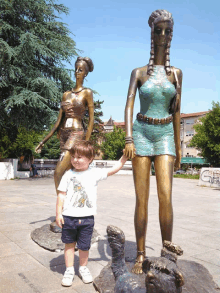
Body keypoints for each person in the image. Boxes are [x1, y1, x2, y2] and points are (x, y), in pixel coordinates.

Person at [124, 9, 182, 274]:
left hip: (166, 135)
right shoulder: (138, 72)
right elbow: (128, 105)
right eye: (158, 30)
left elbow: (177, 112)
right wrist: (128, 138)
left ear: (172, 34)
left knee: (166, 196)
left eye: (167, 30)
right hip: (142, 134)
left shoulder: (177, 74)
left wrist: (179, 149)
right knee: (142, 198)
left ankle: (167, 253)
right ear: (151, 33)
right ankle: (139, 254)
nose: (162, 35)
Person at [56, 140, 128, 286]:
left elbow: (113, 169)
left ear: (90, 159)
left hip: (87, 219)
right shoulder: (68, 175)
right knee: (69, 245)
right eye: (74, 156)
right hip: (69, 218)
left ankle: (83, 268)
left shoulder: (94, 173)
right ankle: (69, 270)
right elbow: (61, 194)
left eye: (80, 157)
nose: (75, 160)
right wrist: (58, 213)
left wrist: (124, 158)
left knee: (84, 246)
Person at [35, 57, 94, 193]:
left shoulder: (87, 93)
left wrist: (86, 142)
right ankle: (70, 205)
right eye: (76, 69)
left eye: (81, 70)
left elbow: (91, 119)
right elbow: (58, 121)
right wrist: (43, 141)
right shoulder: (65, 94)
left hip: (77, 133)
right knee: (69, 173)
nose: (77, 72)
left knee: (58, 172)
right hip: (64, 135)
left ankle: (62, 207)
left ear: (85, 73)